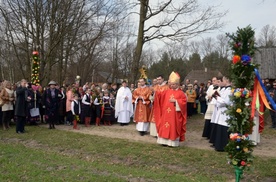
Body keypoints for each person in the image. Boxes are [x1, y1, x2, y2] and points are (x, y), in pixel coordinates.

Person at [156, 71, 187, 147]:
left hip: (175, 115)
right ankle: (164, 141)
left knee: (173, 127)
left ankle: (172, 142)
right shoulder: (167, 91)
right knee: (165, 126)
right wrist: (156, 92)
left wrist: (176, 101)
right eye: (171, 84)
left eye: (173, 84)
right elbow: (160, 96)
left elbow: (184, 102)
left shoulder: (181, 93)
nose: (172, 86)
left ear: (177, 84)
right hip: (166, 114)